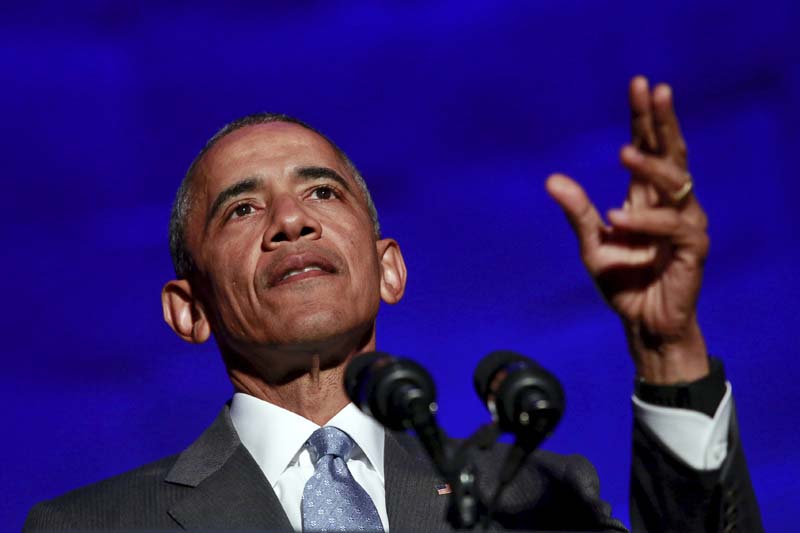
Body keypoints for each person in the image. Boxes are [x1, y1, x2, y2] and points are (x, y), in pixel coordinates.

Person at [24, 76, 762, 532]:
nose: (292, 220)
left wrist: (668, 349)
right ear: (189, 310)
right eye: (242, 210)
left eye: (322, 191)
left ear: (389, 268)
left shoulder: (536, 497)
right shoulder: (90, 525)